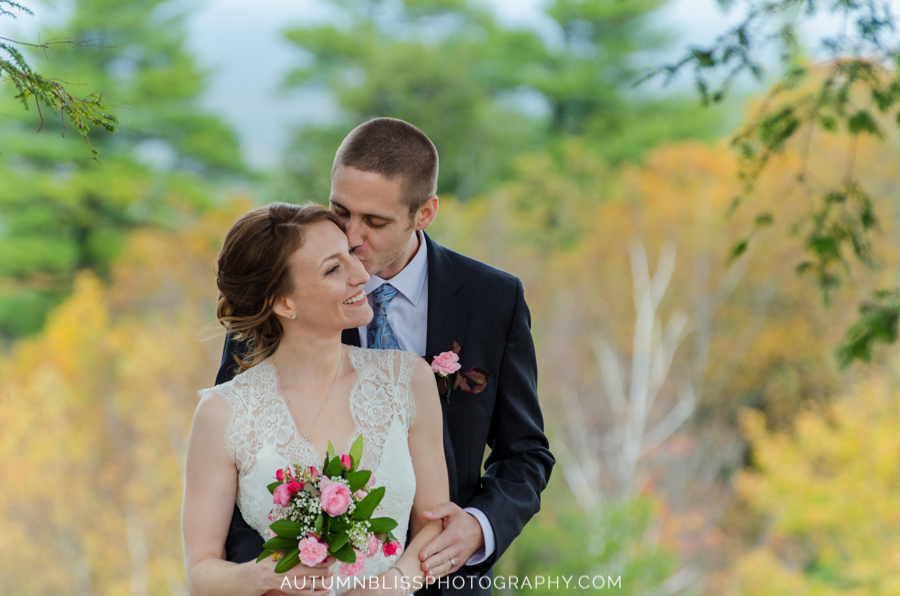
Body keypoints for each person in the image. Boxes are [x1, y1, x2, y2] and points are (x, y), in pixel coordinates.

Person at [217, 118, 555, 596]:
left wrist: (480, 526)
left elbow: (525, 452)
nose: (352, 236)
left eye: (375, 222)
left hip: (447, 583)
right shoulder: (282, 294)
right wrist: (274, 580)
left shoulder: (492, 299)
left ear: (425, 212)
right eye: (340, 211)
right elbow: (236, 456)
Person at [182, 204, 450, 595]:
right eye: (333, 269)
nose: (361, 275)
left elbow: (435, 524)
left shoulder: (408, 381)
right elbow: (200, 573)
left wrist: (392, 584)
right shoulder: (222, 413)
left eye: (351, 256)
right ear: (284, 303)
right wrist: (259, 576)